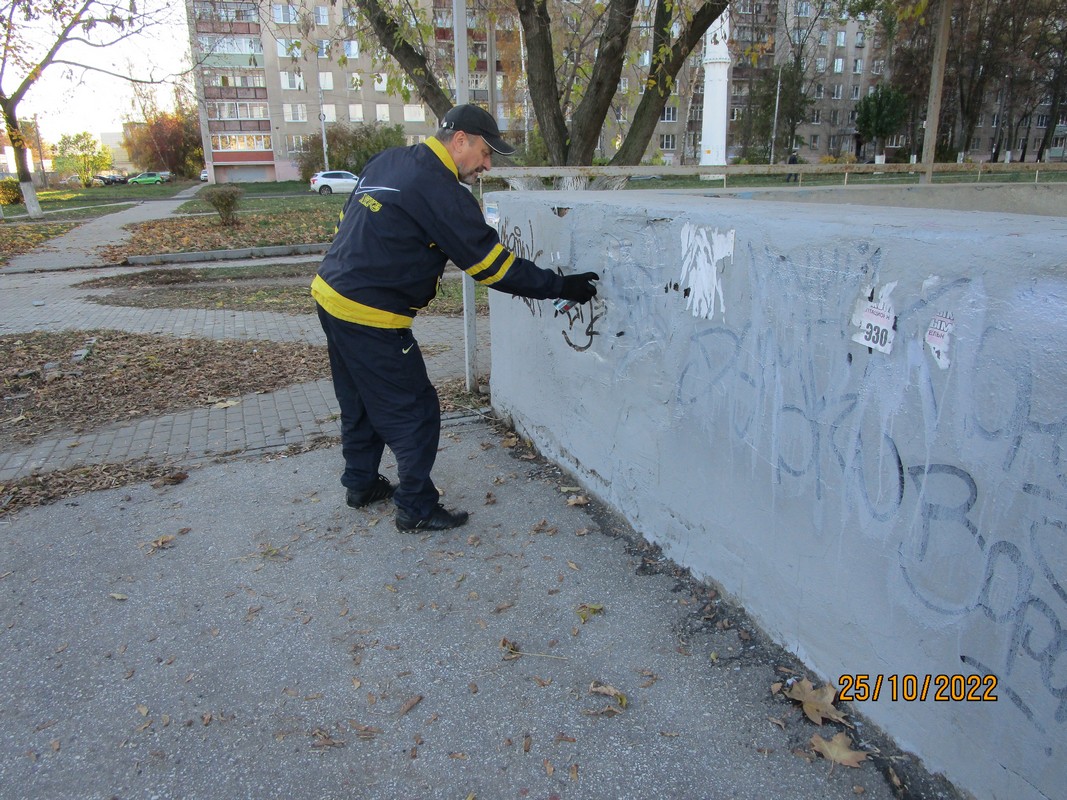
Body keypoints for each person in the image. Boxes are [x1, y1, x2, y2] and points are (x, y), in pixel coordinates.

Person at [312, 104, 600, 532]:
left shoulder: (390, 160)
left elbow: (346, 216)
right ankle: (416, 508)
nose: (487, 165)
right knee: (416, 410)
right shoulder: (442, 192)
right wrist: (563, 287)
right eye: (485, 153)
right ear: (460, 139)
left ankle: (360, 483)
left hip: (329, 293)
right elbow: (493, 268)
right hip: (372, 316)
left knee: (359, 399)